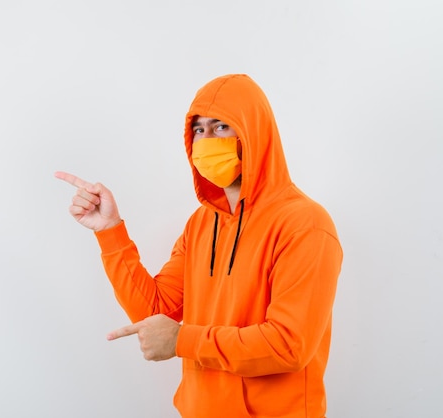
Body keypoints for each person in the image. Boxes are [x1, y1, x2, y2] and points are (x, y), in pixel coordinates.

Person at [55, 74, 342, 418]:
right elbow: (155, 313)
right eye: (199, 130)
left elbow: (288, 345)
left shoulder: (305, 224)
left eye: (221, 127)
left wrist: (182, 340)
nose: (206, 140)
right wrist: (110, 231)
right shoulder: (202, 223)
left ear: (254, 132)